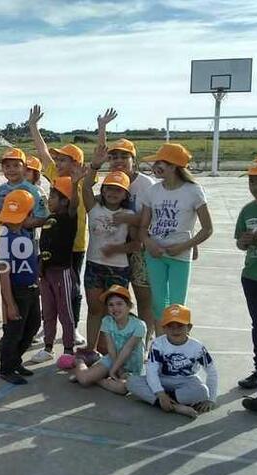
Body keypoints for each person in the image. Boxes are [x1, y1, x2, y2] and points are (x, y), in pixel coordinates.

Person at [29, 105, 90, 345]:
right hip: (53, 244)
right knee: (49, 289)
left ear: (75, 163)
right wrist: (34, 127)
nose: (57, 161)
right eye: (58, 159)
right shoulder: (55, 174)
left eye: (62, 159)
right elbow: (42, 152)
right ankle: (48, 327)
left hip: (75, 245)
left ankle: (72, 327)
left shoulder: (83, 179)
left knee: (72, 289)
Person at [94, 110, 157, 340]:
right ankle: (112, 341)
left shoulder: (146, 184)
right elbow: (100, 153)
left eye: (124, 156)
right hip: (113, 249)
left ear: (133, 159)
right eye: (114, 157)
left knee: (143, 296)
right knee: (113, 299)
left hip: (139, 248)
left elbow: (156, 219)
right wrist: (101, 128)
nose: (118, 161)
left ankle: (146, 338)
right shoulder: (110, 182)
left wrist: (131, 219)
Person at [138, 144, 214, 329]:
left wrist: (183, 246)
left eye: (160, 162)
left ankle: (178, 347)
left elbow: (207, 229)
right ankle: (160, 347)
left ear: (173, 166)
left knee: (177, 306)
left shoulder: (193, 191)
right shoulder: (153, 191)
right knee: (158, 304)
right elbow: (142, 227)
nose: (155, 166)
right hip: (155, 255)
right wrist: (149, 243)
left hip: (179, 256)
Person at [81, 162, 138, 351]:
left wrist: (116, 249)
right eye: (109, 189)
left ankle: (111, 351)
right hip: (94, 265)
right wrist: (95, 166)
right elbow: (86, 186)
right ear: (103, 191)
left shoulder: (128, 215)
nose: (113, 193)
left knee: (115, 312)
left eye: (118, 190)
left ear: (125, 194)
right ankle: (91, 349)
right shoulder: (94, 208)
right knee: (95, 309)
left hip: (118, 269)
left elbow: (137, 244)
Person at [127, 304, 218, 419]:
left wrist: (211, 399)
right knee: (132, 381)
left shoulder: (197, 348)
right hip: (163, 380)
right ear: (164, 328)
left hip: (187, 381)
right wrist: (160, 393)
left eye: (180, 326)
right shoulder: (158, 344)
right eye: (170, 326)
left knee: (203, 392)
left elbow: (211, 371)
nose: (175, 330)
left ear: (189, 327)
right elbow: (151, 371)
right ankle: (177, 407)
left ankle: (163, 402)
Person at [31, 176, 80, 363]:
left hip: (62, 273)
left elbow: (75, 203)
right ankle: (48, 347)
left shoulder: (69, 217)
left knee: (65, 312)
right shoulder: (49, 218)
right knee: (48, 312)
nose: (48, 200)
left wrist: (75, 184)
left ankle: (68, 349)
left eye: (53, 197)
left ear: (65, 201)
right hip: (46, 274)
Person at [0, 190, 41, 384]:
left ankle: (16, 361)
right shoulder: (5, 240)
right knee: (14, 333)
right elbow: (3, 274)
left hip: (31, 289)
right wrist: (10, 303)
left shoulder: (23, 233)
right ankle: (6, 369)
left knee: (32, 327)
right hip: (17, 292)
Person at [67, 285, 145, 394]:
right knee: (84, 380)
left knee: (122, 389)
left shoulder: (139, 325)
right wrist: (116, 370)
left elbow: (127, 349)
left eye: (119, 304)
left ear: (129, 306)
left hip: (131, 365)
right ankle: (79, 362)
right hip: (112, 359)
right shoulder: (107, 321)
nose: (115, 308)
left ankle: (97, 379)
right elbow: (111, 348)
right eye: (111, 305)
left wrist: (115, 371)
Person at [235, 156, 257, 389]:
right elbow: (239, 241)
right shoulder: (247, 210)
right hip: (253, 277)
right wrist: (245, 241)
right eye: (251, 182)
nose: (254, 187)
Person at [0, 148, 49, 227]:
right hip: (2, 237)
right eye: (7, 166)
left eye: (16, 166)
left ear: (24, 167)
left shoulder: (33, 191)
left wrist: (17, 224)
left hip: (25, 237)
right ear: (2, 168)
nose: (11, 169)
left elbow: (42, 217)